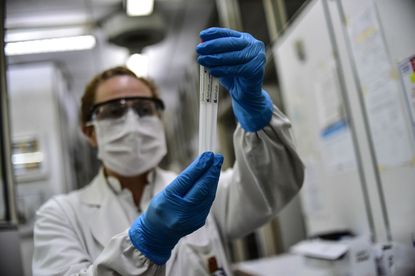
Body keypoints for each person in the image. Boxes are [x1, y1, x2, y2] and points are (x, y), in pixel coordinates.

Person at [32, 27, 304, 275]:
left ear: (158, 119)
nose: (132, 123)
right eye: (114, 111)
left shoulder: (205, 191)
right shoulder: (59, 216)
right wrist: (145, 242)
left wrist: (255, 110)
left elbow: (272, 186)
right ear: (89, 132)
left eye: (143, 109)